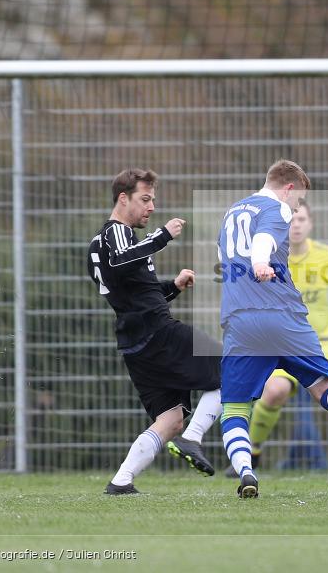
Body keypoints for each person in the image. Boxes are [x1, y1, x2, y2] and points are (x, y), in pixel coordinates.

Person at [216, 159, 328, 498]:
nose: (295, 213)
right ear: (290, 189)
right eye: (297, 203)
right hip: (286, 319)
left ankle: (246, 471)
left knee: (235, 408)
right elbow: (264, 241)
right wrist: (260, 263)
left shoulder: (232, 212)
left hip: (240, 321)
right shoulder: (278, 209)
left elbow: (226, 257)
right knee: (324, 388)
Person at [88, 168, 223, 494]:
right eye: (144, 199)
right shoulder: (115, 234)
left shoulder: (107, 243)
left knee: (171, 418)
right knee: (233, 366)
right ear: (123, 198)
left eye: (153, 200)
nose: (151, 207)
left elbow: (135, 294)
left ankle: (121, 481)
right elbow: (122, 260)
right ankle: (192, 439)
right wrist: (163, 236)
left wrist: (172, 287)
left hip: (137, 344)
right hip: (157, 334)